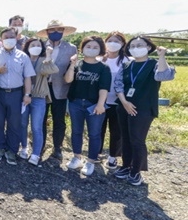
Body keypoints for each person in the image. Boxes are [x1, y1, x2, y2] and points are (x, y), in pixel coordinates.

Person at [114, 37, 175, 185]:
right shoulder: (127, 65)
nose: (135, 48)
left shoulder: (154, 64)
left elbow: (164, 76)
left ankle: (136, 171)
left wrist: (162, 56)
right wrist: (124, 102)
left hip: (143, 108)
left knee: (137, 139)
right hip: (124, 105)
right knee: (126, 137)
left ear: (148, 47)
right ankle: (125, 166)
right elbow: (118, 84)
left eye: (139, 45)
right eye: (132, 46)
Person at [64, 36, 111, 176]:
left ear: (101, 50)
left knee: (94, 134)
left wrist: (101, 104)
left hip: (94, 104)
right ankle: (77, 157)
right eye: (88, 46)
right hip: (75, 102)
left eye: (95, 47)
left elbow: (104, 88)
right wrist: (72, 64)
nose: (91, 49)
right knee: (76, 131)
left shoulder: (103, 68)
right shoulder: (76, 64)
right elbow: (67, 80)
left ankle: (90, 161)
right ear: (82, 48)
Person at [0, 27, 35, 165]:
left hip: (16, 93)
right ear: (1, 40)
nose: (9, 39)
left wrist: (27, 94)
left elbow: (28, 77)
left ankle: (12, 150)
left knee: (15, 123)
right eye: (5, 37)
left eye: (11, 36)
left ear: (16, 38)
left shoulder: (23, 56)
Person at [36, 19, 78, 160]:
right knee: (40, 118)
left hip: (60, 88)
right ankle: (39, 145)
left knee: (59, 120)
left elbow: (71, 67)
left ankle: (57, 147)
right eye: (52, 30)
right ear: (47, 32)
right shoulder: (40, 46)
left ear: (63, 32)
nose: (55, 33)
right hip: (42, 86)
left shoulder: (71, 48)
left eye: (59, 30)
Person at [21, 38, 59, 166]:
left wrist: (48, 56)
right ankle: (24, 147)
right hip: (23, 97)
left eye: (38, 45)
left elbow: (53, 70)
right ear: (27, 47)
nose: (35, 47)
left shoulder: (43, 60)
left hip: (38, 97)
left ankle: (36, 153)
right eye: (33, 45)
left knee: (36, 127)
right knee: (22, 123)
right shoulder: (22, 59)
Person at [99, 31, 130, 170]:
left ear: (123, 44)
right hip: (101, 101)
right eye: (110, 40)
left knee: (117, 131)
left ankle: (113, 157)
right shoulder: (100, 60)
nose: (113, 43)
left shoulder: (128, 61)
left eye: (117, 41)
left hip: (119, 102)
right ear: (105, 43)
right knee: (98, 129)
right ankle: (96, 153)